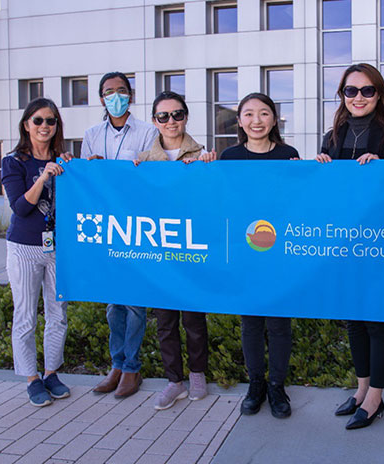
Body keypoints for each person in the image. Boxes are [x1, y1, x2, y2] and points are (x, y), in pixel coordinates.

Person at [316, 63, 384, 430]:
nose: (358, 98)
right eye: (350, 91)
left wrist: (383, 168)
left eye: (367, 91)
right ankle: (361, 389)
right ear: (342, 95)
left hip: (378, 243)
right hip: (342, 243)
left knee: (377, 320)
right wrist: (318, 167)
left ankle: (376, 399)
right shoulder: (332, 136)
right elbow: (323, 195)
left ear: (379, 95)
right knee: (354, 320)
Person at [220, 92, 299, 419]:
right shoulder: (228, 157)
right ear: (240, 121)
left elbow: (301, 201)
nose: (256, 121)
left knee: (279, 323)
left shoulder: (289, 155)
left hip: (279, 251)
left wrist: (314, 172)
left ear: (274, 119)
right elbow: (219, 201)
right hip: (244, 250)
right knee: (250, 321)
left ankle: (277, 386)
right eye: (249, 114)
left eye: (263, 113)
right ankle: (256, 384)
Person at [134, 91, 215, 410]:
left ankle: (197, 374)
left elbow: (212, 199)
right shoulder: (143, 160)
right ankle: (174, 381)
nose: (171, 121)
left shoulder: (202, 155)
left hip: (191, 250)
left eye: (177, 114)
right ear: (155, 121)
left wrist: (210, 167)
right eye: (163, 116)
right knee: (165, 321)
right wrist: (130, 174)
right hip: (159, 252)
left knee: (194, 319)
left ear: (186, 117)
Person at [84, 72, 158, 399]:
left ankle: (132, 368)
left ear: (131, 95)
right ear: (101, 98)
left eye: (122, 91)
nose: (116, 96)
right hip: (106, 228)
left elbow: (150, 178)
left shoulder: (147, 132)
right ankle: (116, 364)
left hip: (138, 226)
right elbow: (87, 182)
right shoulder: (90, 134)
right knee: (113, 303)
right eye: (109, 91)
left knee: (136, 303)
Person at [1, 97, 71, 407]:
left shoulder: (65, 160)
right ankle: (31, 378)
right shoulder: (13, 161)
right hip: (24, 248)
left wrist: (75, 166)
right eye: (38, 120)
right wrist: (43, 177)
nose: (45, 126)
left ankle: (52, 373)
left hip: (58, 248)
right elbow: (20, 207)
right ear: (27, 124)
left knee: (58, 316)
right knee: (26, 316)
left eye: (51, 121)